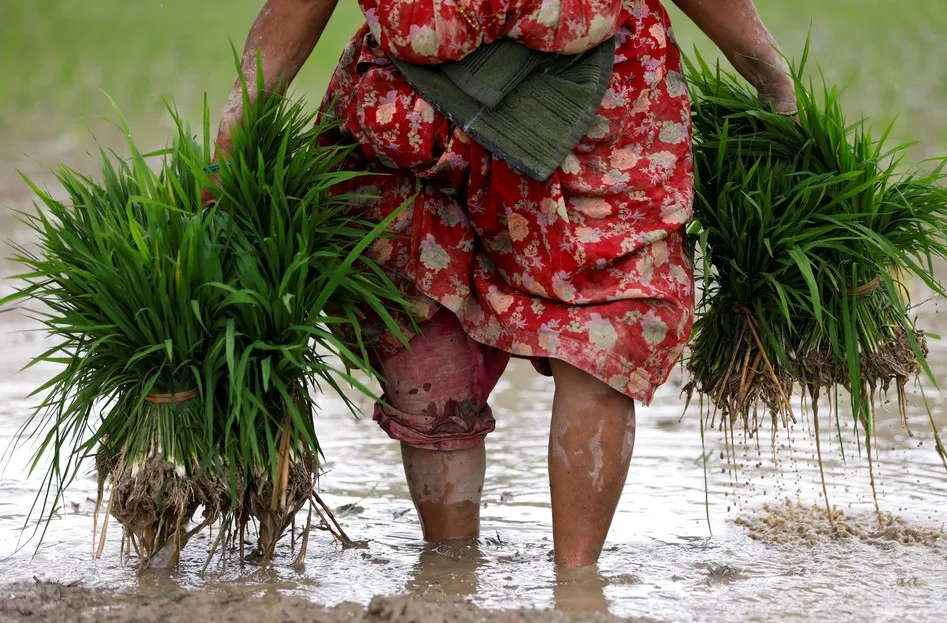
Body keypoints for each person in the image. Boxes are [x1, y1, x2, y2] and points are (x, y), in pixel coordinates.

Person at [207, 0, 795, 568]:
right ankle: (571, 586)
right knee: (595, 319)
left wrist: (232, 136)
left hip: (459, 116)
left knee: (429, 312)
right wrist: (773, 82)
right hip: (568, 117)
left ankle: (454, 575)